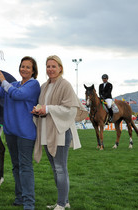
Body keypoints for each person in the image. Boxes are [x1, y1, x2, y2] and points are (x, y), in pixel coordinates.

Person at [31, 55, 88, 210]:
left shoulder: (65, 85)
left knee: (61, 168)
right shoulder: (44, 86)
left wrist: (47, 109)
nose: (50, 69)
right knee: (55, 168)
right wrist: (38, 110)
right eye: (48, 66)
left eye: (53, 66)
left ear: (60, 68)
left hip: (61, 131)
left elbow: (70, 110)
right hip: (46, 130)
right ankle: (64, 201)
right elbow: (43, 105)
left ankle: (61, 204)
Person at [0, 56, 40, 210]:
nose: (24, 69)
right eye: (22, 66)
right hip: (11, 132)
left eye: (28, 67)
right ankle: (20, 197)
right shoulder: (14, 84)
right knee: (16, 166)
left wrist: (3, 80)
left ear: (33, 71)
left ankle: (29, 202)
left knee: (25, 167)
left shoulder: (33, 84)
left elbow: (18, 95)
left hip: (25, 133)